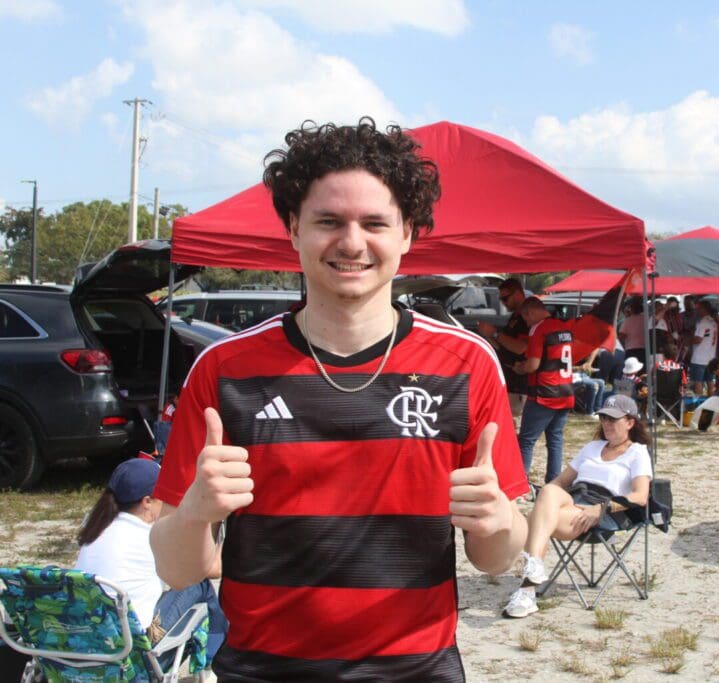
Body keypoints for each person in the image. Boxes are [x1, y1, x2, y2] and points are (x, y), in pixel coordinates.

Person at [150, 118, 529, 682]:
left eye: (374, 222)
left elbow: (496, 559)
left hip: (416, 670)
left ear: (407, 234)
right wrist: (196, 514)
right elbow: (176, 569)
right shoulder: (223, 369)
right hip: (260, 670)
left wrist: (499, 521)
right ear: (293, 228)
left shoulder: (467, 364)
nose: (352, 242)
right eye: (329, 221)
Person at [502, 394, 652, 618]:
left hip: (605, 511)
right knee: (549, 492)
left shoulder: (637, 453)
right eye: (604, 418)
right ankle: (532, 574)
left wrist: (602, 508)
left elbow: (640, 497)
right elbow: (560, 481)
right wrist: (541, 498)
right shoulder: (592, 447)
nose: (607, 424)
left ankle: (527, 590)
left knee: (538, 519)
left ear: (630, 422)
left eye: (613, 419)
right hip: (574, 500)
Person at [75, 458, 227, 657]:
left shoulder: (95, 525)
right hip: (134, 653)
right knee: (198, 583)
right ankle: (217, 654)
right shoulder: (148, 538)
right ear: (147, 502)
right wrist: (225, 527)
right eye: (163, 495)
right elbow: (212, 568)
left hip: (92, 641)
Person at [515, 296, 575, 484]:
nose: (526, 323)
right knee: (555, 440)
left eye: (525, 319)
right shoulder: (564, 328)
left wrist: (520, 368)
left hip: (544, 394)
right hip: (565, 392)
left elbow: (533, 364)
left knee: (526, 440)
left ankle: (520, 484)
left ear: (531, 313)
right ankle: (553, 483)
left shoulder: (539, 328)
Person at [477, 278, 529, 419]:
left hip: (519, 383)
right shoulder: (515, 316)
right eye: (501, 299)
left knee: (514, 427)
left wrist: (494, 333)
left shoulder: (526, 316)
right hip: (510, 381)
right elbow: (504, 347)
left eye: (505, 298)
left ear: (518, 294)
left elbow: (521, 348)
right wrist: (488, 336)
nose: (503, 303)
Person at [688, 299, 718, 395]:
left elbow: (698, 339)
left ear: (703, 309)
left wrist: (687, 341)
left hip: (699, 358)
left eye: (699, 308)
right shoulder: (713, 322)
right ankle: (711, 406)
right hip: (710, 357)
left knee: (698, 382)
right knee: (710, 382)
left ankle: (698, 406)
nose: (697, 311)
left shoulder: (702, 323)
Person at [618, 297, 647, 364]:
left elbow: (621, 336)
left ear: (632, 309)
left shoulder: (627, 320)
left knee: (630, 371)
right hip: (644, 349)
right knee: (643, 371)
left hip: (630, 349)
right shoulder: (646, 319)